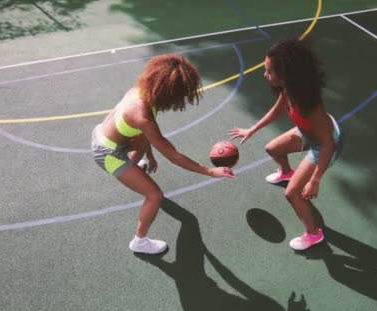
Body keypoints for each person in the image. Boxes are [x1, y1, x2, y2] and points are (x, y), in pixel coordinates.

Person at [91, 54, 235, 255]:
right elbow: (174, 156)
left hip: (109, 135)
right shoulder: (143, 116)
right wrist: (210, 171)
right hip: (108, 153)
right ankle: (139, 241)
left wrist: (148, 155)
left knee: (141, 142)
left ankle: (134, 169)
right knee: (155, 195)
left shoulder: (140, 91)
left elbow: (141, 135)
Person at [229, 39, 343, 251]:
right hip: (308, 132)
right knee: (272, 148)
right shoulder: (288, 89)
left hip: (325, 143)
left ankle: (314, 234)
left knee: (292, 194)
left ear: (286, 75)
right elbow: (278, 109)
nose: (265, 75)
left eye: (269, 71)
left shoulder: (310, 105)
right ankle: (287, 172)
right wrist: (252, 129)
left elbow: (327, 144)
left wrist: (315, 180)